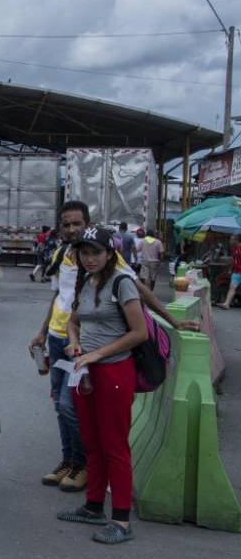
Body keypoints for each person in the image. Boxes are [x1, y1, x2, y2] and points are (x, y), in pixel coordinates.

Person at [30, 202, 199, 493]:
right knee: (60, 404)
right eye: (66, 224)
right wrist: (43, 331)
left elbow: (137, 289)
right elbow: (61, 296)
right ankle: (68, 461)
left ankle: (84, 466)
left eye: (76, 223)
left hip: (90, 346)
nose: (71, 229)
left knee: (73, 409)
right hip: (62, 340)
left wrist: (172, 319)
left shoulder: (98, 255)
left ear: (87, 224)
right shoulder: (63, 254)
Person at [56, 224, 147, 544]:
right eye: (84, 252)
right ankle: (93, 505)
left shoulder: (122, 283)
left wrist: (98, 355)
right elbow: (73, 322)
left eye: (95, 252)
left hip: (114, 373)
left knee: (115, 446)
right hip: (86, 372)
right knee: (91, 441)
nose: (89, 258)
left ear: (111, 254)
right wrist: (75, 343)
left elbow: (139, 333)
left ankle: (121, 520)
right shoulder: (87, 281)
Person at [217, 234, 241, 309]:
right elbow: (233, 260)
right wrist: (230, 269)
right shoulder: (234, 248)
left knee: (232, 287)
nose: (230, 241)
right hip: (236, 271)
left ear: (236, 240)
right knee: (232, 287)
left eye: (232, 239)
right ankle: (227, 304)